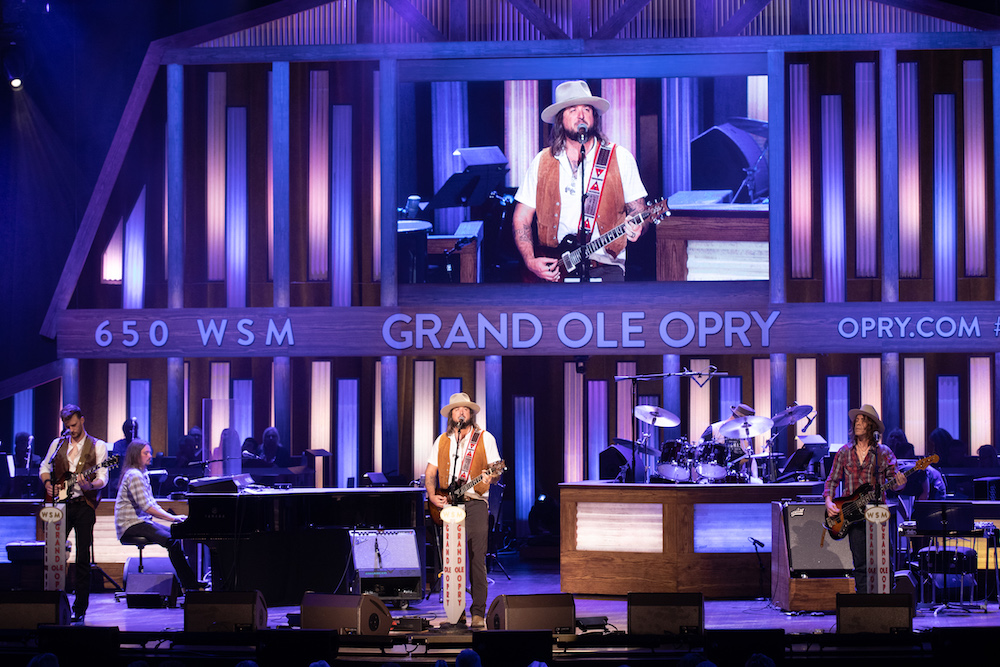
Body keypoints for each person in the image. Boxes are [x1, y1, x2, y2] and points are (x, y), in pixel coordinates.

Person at [513, 80, 649, 283]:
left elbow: (641, 213)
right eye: (572, 109)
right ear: (560, 119)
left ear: (594, 116)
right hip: (555, 270)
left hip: (606, 268)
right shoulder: (541, 161)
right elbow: (521, 217)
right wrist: (530, 260)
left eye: (587, 109)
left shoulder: (620, 157)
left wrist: (639, 224)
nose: (581, 115)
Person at [425, 392, 502, 628]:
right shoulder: (442, 441)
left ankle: (478, 612)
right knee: (452, 561)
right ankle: (455, 612)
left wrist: (491, 477)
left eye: (465, 409)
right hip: (450, 504)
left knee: (477, 559)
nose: (461, 413)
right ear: (451, 415)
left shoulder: (484, 438)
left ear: (471, 414)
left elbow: (495, 470)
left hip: (477, 503)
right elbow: (430, 474)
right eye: (456, 409)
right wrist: (431, 495)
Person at [38, 404, 109, 622]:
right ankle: (53, 602)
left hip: (84, 504)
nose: (72, 429)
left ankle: (80, 607)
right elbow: (44, 466)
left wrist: (90, 486)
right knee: (53, 555)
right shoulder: (58, 444)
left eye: (75, 425)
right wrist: (48, 482)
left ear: (83, 420)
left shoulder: (98, 446)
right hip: (60, 505)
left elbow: (103, 477)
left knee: (82, 557)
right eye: (68, 426)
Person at [823, 404, 906, 593]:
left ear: (871, 425)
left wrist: (900, 483)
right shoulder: (844, 452)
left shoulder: (883, 452)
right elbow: (832, 481)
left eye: (862, 420)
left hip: (878, 513)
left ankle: (887, 603)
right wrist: (829, 502)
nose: (858, 423)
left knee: (883, 562)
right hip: (853, 515)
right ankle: (863, 603)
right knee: (860, 563)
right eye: (856, 420)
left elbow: (894, 483)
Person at [115, 439, 202, 591]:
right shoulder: (134, 475)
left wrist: (173, 519)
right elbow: (147, 507)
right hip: (130, 525)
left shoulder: (142, 474)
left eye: (150, 452)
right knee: (172, 542)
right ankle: (189, 586)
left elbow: (151, 503)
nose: (150, 455)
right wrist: (172, 518)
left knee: (176, 534)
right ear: (136, 455)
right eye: (146, 453)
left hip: (140, 522)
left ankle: (190, 582)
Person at [699, 403, 758, 481]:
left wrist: (755, 478)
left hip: (739, 478)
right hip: (714, 476)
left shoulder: (744, 435)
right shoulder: (714, 429)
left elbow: (751, 459)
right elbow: (699, 452)